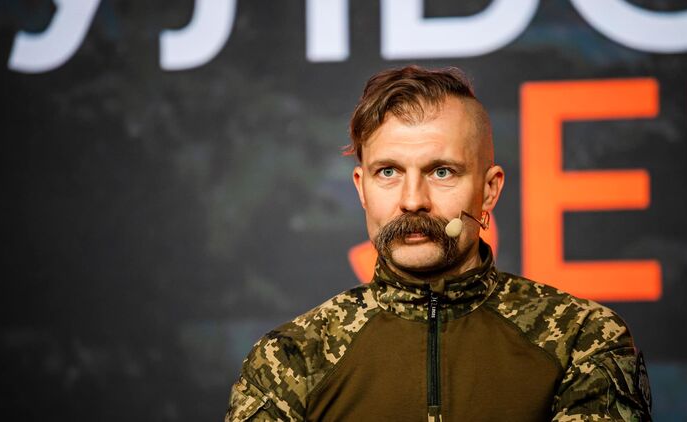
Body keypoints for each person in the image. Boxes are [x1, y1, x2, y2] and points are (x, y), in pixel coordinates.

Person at [225, 66, 652, 421]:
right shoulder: (292, 357)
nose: (413, 200)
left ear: (489, 190)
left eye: (442, 172)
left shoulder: (583, 338)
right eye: (388, 172)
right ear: (361, 188)